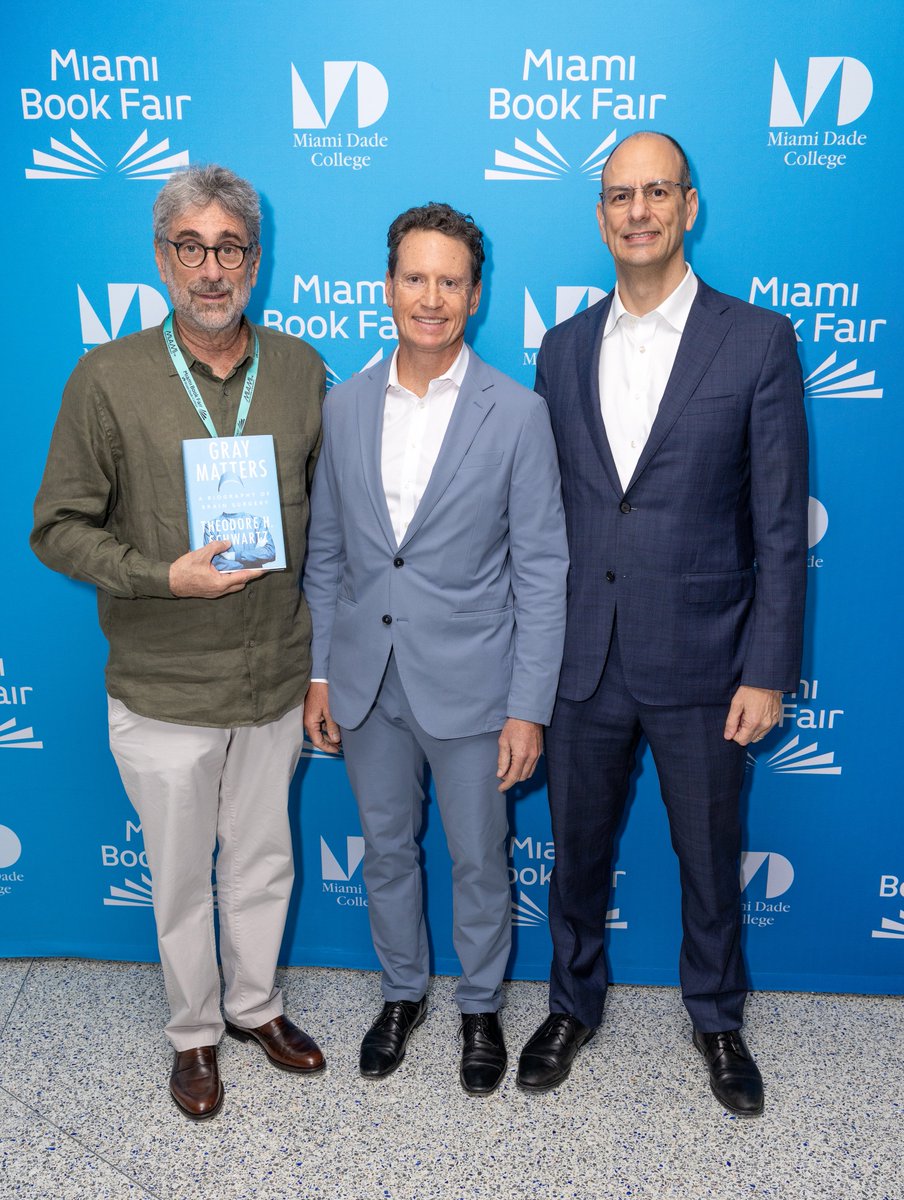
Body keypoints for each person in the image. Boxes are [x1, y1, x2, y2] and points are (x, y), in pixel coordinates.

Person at [516, 132, 808, 1116]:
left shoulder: (757, 340)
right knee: (575, 852)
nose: (636, 211)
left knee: (710, 852)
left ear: (689, 206)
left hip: (705, 659)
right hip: (581, 659)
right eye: (616, 196)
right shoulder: (560, 349)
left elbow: (777, 522)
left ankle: (717, 1019)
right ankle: (570, 1004)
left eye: (655, 193)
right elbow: (547, 514)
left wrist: (766, 669)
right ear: (599, 215)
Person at [31, 164, 326, 1120]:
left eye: (230, 247)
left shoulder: (298, 370)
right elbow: (58, 526)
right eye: (190, 248)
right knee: (179, 874)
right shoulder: (107, 378)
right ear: (162, 258)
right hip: (164, 683)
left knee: (263, 860)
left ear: (256, 256)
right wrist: (166, 575)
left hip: (273, 674)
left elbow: (327, 525)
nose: (211, 269)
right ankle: (195, 1034)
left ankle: (255, 1007)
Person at [303, 202, 568, 1095]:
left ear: (474, 294)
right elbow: (331, 552)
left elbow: (541, 569)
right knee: (384, 849)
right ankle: (402, 992)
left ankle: (482, 1005)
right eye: (414, 278)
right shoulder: (342, 406)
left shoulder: (519, 413)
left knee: (478, 858)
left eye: (449, 281)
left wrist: (528, 704)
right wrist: (319, 673)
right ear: (388, 287)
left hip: (474, 685)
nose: (430, 297)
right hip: (366, 681)